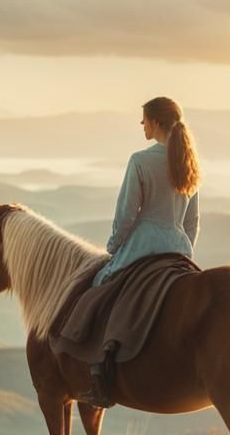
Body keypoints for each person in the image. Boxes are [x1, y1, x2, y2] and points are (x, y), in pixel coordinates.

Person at [77, 96, 201, 407]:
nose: (141, 125)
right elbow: (192, 221)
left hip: (143, 249)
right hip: (179, 252)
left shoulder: (140, 161)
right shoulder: (188, 162)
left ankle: (100, 371)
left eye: (144, 119)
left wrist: (113, 248)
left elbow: (126, 216)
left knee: (101, 289)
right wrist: (183, 252)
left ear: (157, 123)